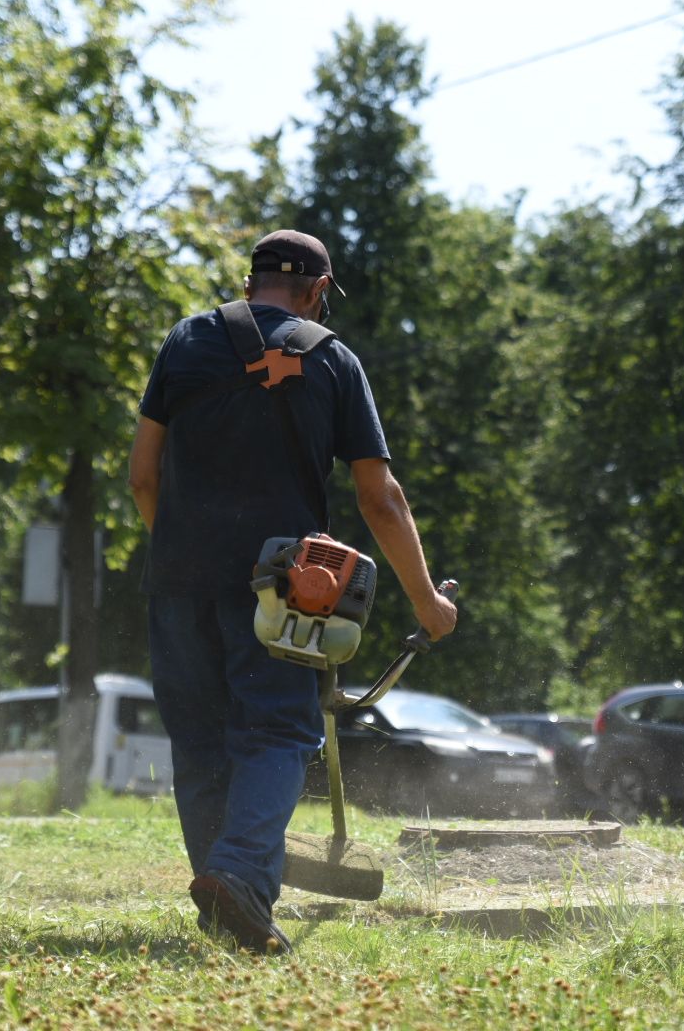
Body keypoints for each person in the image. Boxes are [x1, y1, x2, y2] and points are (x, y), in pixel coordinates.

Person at [128, 230, 456, 955]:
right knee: (277, 730)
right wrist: (427, 601)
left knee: (200, 741)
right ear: (318, 290)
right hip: (282, 586)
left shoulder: (185, 341)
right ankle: (241, 876)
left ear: (249, 284)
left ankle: (227, 902)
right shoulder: (334, 359)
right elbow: (380, 499)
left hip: (176, 577)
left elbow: (143, 476)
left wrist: (185, 552)